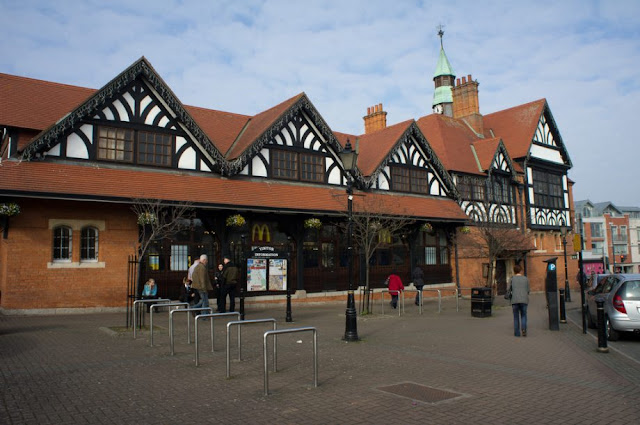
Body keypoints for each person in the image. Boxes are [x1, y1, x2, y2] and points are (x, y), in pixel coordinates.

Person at [509, 264, 530, 337]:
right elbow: (528, 290)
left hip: (514, 300)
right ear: (521, 270)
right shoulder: (525, 279)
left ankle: (517, 333)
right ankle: (523, 328)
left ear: (514, 271)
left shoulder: (512, 279)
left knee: (516, 317)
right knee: (523, 315)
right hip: (524, 300)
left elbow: (508, 289)